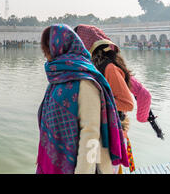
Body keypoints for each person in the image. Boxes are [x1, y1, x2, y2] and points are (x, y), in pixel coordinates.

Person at [37, 24, 129, 174]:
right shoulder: (58, 77)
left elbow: (91, 135)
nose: (45, 53)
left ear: (60, 46)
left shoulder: (85, 81)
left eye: (47, 48)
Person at [75, 24, 152, 173]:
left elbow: (128, 103)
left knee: (106, 169)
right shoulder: (92, 67)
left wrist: (96, 102)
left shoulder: (109, 68)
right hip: (96, 132)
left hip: (111, 133)